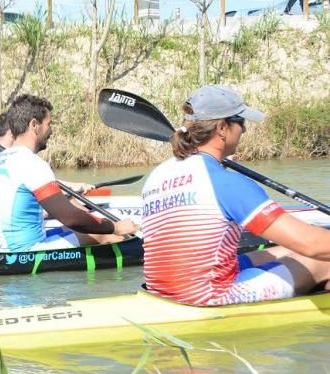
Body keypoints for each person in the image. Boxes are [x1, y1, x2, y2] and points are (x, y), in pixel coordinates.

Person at [141, 85, 330, 305]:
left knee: (283, 250)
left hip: (163, 294)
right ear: (222, 127)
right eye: (241, 122)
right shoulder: (226, 182)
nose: (244, 130)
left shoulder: (158, 175)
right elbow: (311, 244)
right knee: (324, 260)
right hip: (211, 297)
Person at [0, 94, 137, 251]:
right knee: (104, 235)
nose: (50, 131)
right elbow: (70, 217)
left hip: (2, 247)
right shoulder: (32, 163)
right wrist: (114, 226)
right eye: (48, 124)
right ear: (34, 125)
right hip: (30, 250)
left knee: (72, 228)